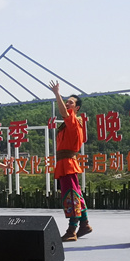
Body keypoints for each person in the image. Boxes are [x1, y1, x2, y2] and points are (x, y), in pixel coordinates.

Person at [49, 80, 92, 242]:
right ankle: (84, 224)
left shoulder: (73, 121)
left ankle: (72, 229)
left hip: (67, 163)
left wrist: (57, 94)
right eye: (67, 102)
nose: (67, 104)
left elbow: (63, 112)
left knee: (71, 195)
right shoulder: (71, 123)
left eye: (71, 103)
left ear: (77, 108)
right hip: (65, 162)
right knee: (76, 194)